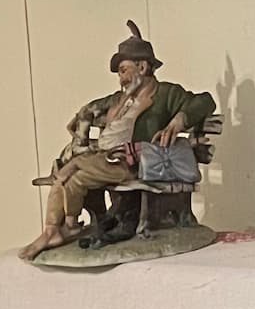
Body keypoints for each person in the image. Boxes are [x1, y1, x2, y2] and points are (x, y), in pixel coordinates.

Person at [22, 22, 216, 260]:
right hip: (108, 162)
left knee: (69, 168)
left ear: (142, 67)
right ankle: (55, 229)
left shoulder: (165, 94)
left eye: (124, 71)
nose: (121, 79)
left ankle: (72, 169)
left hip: (137, 164)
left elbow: (204, 101)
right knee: (73, 180)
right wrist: (83, 113)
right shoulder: (122, 98)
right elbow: (96, 106)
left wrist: (179, 121)